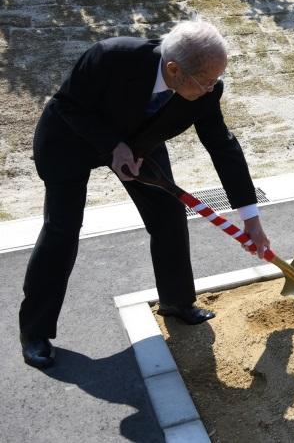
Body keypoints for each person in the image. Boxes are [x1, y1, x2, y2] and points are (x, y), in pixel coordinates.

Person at [19, 21, 271, 370]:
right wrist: (112, 146)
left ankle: (176, 301)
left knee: (168, 215)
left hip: (139, 146)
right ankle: (35, 331)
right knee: (63, 229)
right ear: (173, 69)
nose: (213, 87)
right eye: (206, 81)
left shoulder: (204, 89)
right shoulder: (111, 56)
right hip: (69, 142)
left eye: (216, 79)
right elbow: (68, 105)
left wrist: (251, 220)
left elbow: (222, 146)